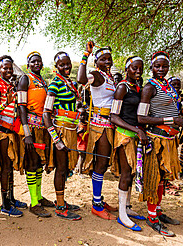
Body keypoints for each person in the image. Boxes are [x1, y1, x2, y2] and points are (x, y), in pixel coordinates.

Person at [138, 51, 183, 237]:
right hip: (156, 138)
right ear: (151, 67)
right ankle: (152, 218)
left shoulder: (167, 85)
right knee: (154, 178)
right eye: (157, 66)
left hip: (169, 140)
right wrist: (172, 120)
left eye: (164, 66)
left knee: (163, 179)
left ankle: (157, 212)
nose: (161, 69)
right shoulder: (149, 88)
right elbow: (141, 117)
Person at [77, 41, 117, 220]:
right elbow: (81, 80)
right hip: (100, 126)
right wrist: (86, 55)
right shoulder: (96, 75)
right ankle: (95, 205)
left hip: (110, 125)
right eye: (103, 59)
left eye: (109, 59)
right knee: (100, 165)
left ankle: (99, 198)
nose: (107, 62)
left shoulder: (110, 78)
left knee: (104, 164)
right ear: (96, 62)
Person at [43, 51, 81, 221]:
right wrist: (56, 140)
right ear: (56, 67)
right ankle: (59, 207)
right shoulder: (54, 85)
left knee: (65, 168)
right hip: (61, 131)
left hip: (71, 130)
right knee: (60, 168)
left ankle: (62, 201)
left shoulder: (70, 83)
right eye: (62, 65)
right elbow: (46, 113)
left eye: (68, 64)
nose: (66, 67)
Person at [110, 56, 147, 231]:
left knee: (131, 173)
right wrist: (136, 129)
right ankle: (122, 216)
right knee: (125, 173)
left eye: (140, 69)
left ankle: (127, 208)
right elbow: (114, 116)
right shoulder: (122, 88)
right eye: (134, 68)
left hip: (135, 134)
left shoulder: (138, 87)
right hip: (124, 135)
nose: (138, 72)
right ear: (127, 69)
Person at [17, 51, 54, 217]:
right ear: (28, 65)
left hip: (42, 129)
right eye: (33, 62)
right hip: (30, 128)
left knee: (39, 163)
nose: (37, 64)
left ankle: (39, 196)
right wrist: (26, 132)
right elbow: (21, 106)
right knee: (32, 163)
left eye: (39, 61)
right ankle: (33, 202)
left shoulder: (42, 81)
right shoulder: (26, 79)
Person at [0, 55, 26, 217]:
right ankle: (5, 205)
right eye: (5, 68)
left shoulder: (10, 84)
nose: (8, 71)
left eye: (10, 68)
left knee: (10, 167)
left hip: (12, 131)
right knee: (5, 168)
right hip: (2, 133)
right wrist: (6, 102)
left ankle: (11, 198)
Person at [75, 107, 88, 178]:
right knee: (81, 157)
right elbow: (75, 132)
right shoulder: (78, 124)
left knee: (82, 157)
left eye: (84, 115)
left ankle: (77, 169)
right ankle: (80, 172)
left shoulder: (86, 124)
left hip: (85, 143)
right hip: (80, 143)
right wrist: (81, 131)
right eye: (81, 115)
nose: (82, 117)